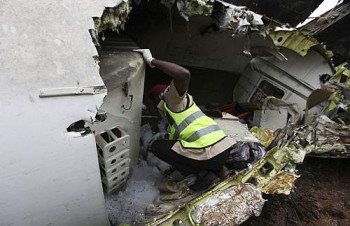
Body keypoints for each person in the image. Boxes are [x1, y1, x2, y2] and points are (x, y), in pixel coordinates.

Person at [134, 49, 238, 191]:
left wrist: (152, 61)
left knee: (158, 147)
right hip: (222, 152)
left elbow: (183, 74)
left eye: (154, 103)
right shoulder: (181, 112)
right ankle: (220, 170)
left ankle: (204, 178)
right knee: (175, 148)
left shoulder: (172, 100)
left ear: (159, 98)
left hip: (212, 155)